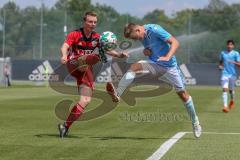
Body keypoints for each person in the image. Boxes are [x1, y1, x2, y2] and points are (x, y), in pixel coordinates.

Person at [107, 23, 202, 138]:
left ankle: (195, 121)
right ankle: (118, 94)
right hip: (155, 64)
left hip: (170, 67)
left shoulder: (155, 30)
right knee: (134, 67)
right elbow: (150, 49)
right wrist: (147, 51)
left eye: (136, 37)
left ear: (138, 30)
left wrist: (167, 56)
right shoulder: (141, 35)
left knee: (183, 95)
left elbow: (175, 42)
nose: (137, 40)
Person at [58, 11, 128, 138]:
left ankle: (65, 126)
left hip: (86, 70)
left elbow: (109, 50)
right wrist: (63, 55)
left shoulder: (97, 37)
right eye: (90, 21)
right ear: (84, 22)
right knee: (92, 57)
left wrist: (119, 55)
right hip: (74, 64)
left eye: (95, 22)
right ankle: (98, 56)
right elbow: (65, 46)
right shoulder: (75, 34)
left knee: (85, 101)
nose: (93, 24)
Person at [219, 40, 240, 113]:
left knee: (231, 91)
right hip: (224, 74)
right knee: (224, 89)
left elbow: (239, 65)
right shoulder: (223, 53)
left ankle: (232, 100)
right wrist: (220, 66)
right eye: (228, 44)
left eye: (231, 45)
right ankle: (225, 106)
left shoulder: (236, 53)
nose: (229, 46)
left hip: (232, 75)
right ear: (227, 45)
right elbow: (221, 62)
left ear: (233, 46)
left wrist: (233, 62)